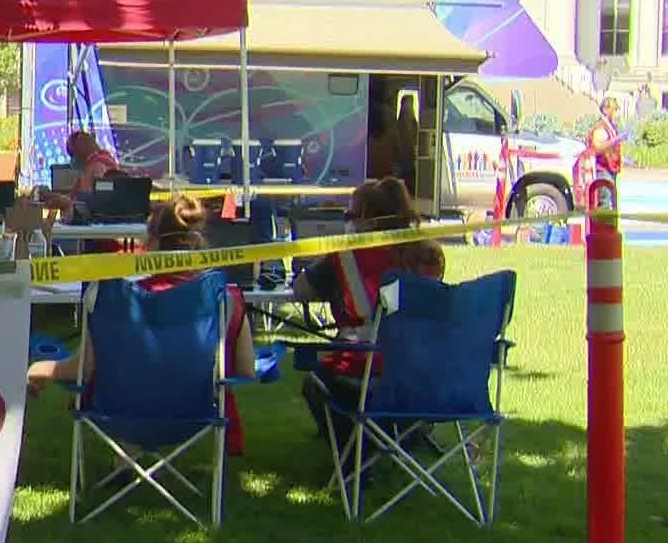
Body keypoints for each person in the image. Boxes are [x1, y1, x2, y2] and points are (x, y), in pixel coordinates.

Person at [28, 196, 256, 452]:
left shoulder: (119, 300)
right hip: (194, 414)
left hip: (120, 414)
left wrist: (39, 369)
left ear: (151, 242)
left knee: (129, 380)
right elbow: (246, 370)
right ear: (200, 243)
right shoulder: (228, 300)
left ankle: (126, 461)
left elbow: (83, 369)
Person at [291, 177, 440, 438]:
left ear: (368, 219)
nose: (346, 222)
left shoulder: (346, 256)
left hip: (361, 370)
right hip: (419, 372)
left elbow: (300, 290)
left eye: (349, 215)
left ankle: (351, 451)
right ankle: (401, 438)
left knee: (313, 375)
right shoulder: (429, 256)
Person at [581, 96, 623, 207]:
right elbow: (597, 148)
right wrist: (615, 140)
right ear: (605, 110)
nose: (615, 113)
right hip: (603, 171)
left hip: (610, 169)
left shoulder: (610, 127)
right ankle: (602, 224)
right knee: (604, 202)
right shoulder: (600, 128)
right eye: (613, 109)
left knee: (610, 202)